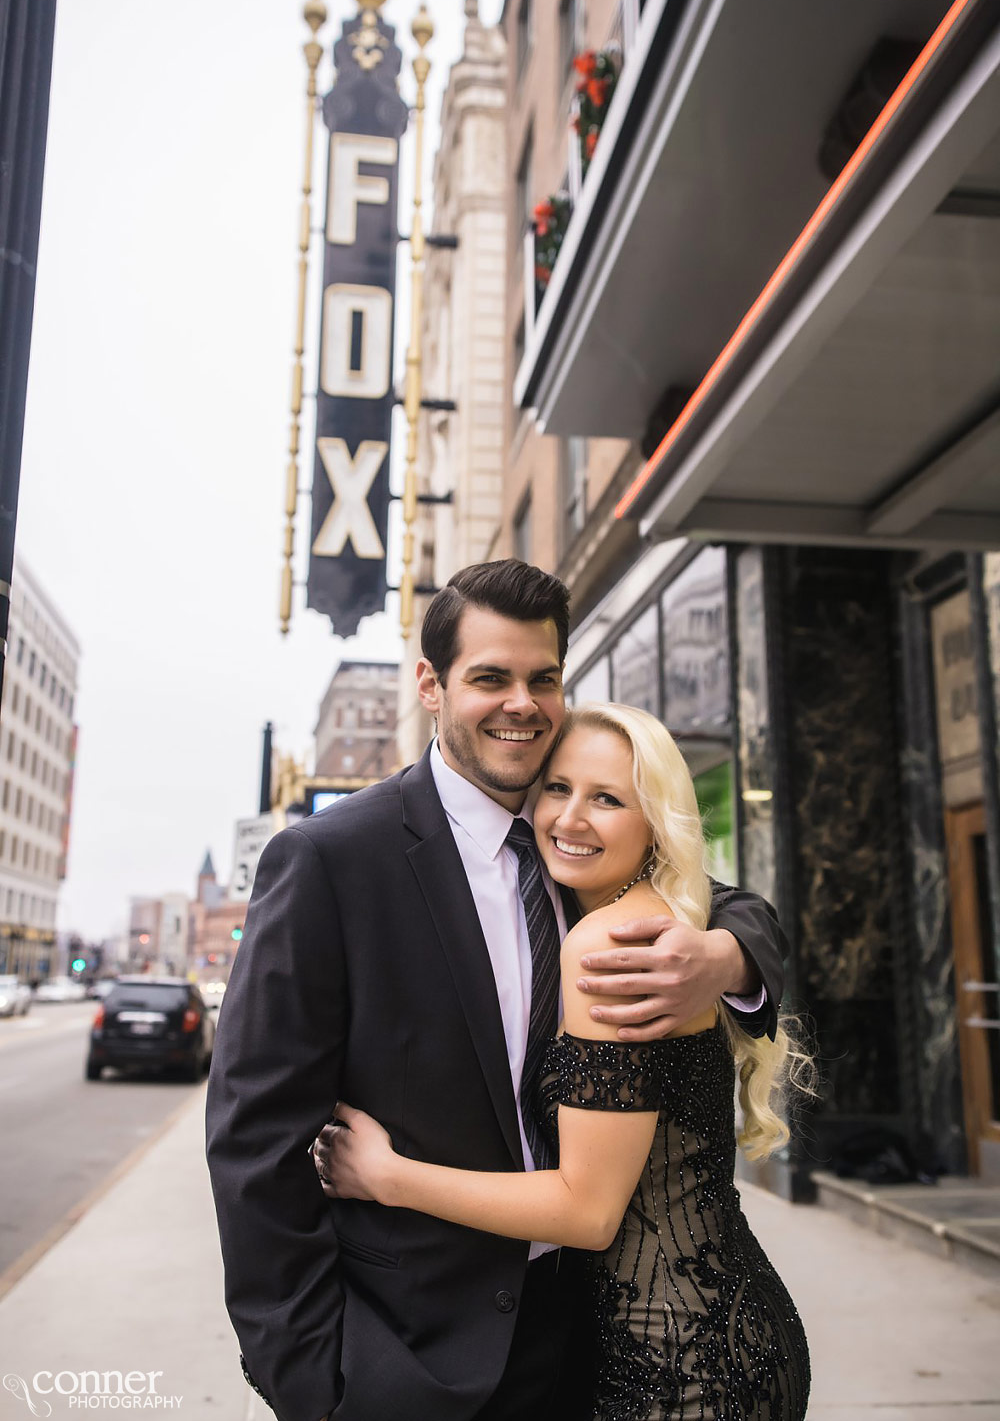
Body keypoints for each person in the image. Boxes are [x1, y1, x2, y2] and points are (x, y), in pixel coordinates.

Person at [206, 560, 787, 1421]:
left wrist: (728, 960)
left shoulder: (574, 841)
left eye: (542, 678)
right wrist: (316, 1379)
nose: (522, 702)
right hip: (409, 1357)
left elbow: (731, 905)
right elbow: (255, 1144)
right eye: (491, 677)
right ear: (431, 686)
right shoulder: (333, 862)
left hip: (597, 1339)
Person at [314, 702, 811, 1421]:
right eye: (557, 788)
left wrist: (388, 1177)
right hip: (717, 1327)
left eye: (607, 798)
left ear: (655, 824)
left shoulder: (611, 947)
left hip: (677, 1368)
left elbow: (587, 1212)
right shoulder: (623, 910)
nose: (570, 818)